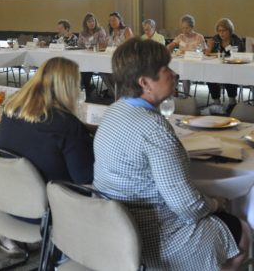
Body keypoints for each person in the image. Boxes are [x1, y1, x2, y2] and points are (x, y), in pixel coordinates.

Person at [94, 38, 250, 271]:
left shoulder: (115, 110)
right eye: (165, 69)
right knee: (242, 231)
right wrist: (216, 203)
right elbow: (187, 206)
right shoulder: (153, 128)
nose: (174, 74)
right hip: (153, 239)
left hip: (112, 228)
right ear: (145, 83)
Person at [0, 57, 94, 184]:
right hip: (54, 193)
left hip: (10, 186)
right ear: (68, 89)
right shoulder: (67, 124)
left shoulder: (11, 109)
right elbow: (83, 177)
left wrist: (82, 128)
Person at [205, 18, 245, 113]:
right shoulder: (215, 39)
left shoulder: (236, 40)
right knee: (209, 77)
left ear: (230, 30)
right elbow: (207, 54)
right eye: (219, 31)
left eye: (224, 31)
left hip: (233, 69)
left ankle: (232, 102)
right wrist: (210, 47)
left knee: (229, 76)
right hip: (216, 69)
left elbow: (240, 55)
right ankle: (216, 103)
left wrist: (218, 54)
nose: (221, 33)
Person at [167, 14, 206, 95]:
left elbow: (205, 51)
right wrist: (167, 48)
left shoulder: (199, 37)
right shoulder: (180, 37)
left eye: (187, 28)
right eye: (183, 28)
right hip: (181, 63)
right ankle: (173, 94)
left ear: (192, 27)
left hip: (194, 64)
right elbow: (171, 45)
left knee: (185, 73)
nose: (184, 30)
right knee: (172, 72)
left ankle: (186, 96)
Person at [78, 13, 107, 95]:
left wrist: (92, 47)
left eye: (93, 21)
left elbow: (103, 44)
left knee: (86, 68)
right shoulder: (82, 33)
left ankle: (87, 89)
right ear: (85, 23)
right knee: (82, 68)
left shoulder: (100, 30)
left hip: (98, 58)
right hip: (86, 58)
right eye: (89, 22)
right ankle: (87, 88)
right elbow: (79, 45)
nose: (91, 23)